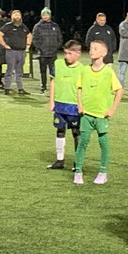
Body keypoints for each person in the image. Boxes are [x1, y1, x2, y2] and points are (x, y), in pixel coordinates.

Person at [72, 39, 124, 185]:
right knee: (83, 142)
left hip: (102, 115)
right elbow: (79, 88)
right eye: (90, 48)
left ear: (104, 52)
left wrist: (113, 108)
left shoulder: (108, 71)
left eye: (95, 48)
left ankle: (102, 172)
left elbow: (119, 90)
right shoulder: (85, 70)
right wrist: (80, 105)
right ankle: (78, 171)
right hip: (86, 114)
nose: (91, 50)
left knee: (103, 143)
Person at [47, 40, 84, 169]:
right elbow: (52, 82)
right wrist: (51, 101)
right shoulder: (58, 64)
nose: (66, 56)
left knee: (76, 132)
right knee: (60, 130)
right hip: (59, 104)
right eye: (65, 53)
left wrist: (81, 104)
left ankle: (77, 162)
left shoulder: (83, 69)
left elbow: (82, 89)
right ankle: (60, 160)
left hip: (74, 105)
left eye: (70, 53)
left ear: (78, 53)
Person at [0, 9, 31, 95]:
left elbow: (29, 35)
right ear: (12, 16)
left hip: (22, 52)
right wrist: (4, 45)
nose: (17, 16)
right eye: (15, 14)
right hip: (11, 52)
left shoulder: (23, 26)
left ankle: (20, 88)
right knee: (10, 70)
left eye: (18, 15)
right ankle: (7, 88)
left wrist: (27, 46)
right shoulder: (8, 26)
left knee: (19, 71)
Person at [31, 8, 64, 93]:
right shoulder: (37, 26)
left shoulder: (55, 26)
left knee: (53, 71)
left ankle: (54, 87)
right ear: (41, 16)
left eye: (47, 14)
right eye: (44, 15)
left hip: (53, 53)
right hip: (42, 53)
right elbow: (35, 39)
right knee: (43, 71)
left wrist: (56, 47)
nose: (45, 16)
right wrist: (40, 48)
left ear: (50, 15)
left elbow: (59, 38)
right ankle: (43, 86)